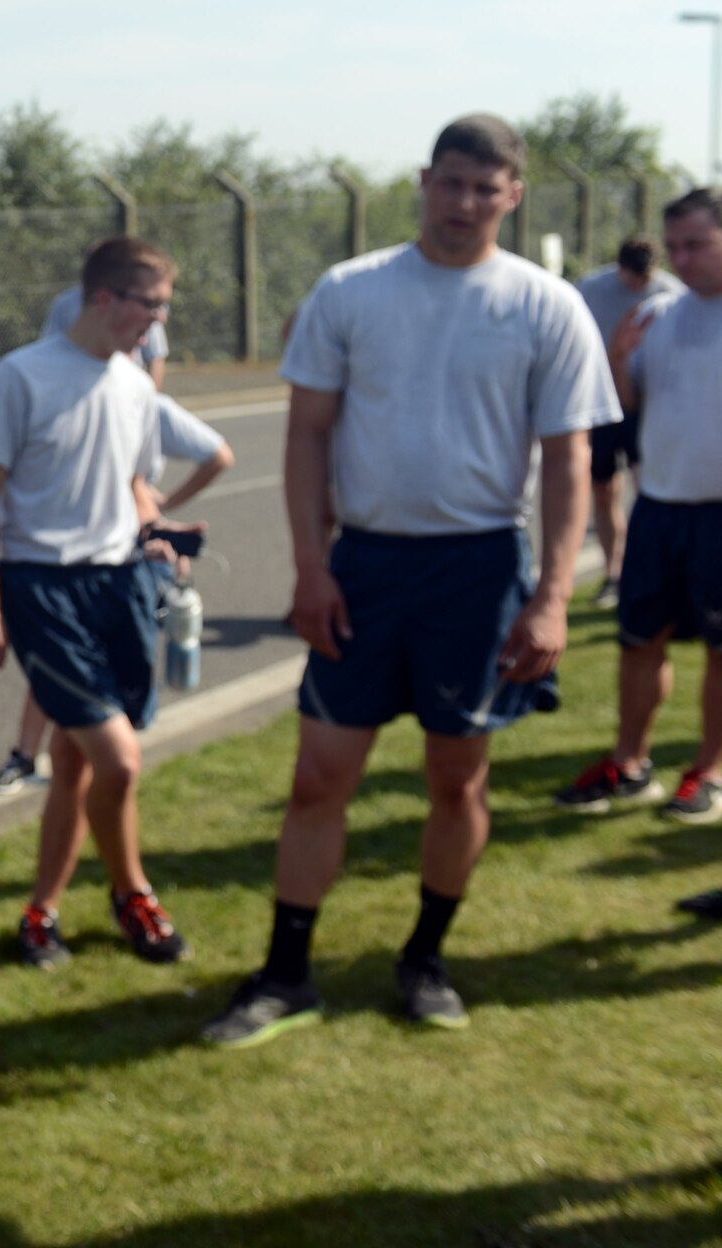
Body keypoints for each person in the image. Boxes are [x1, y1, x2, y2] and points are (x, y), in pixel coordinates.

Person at [201, 114, 616, 1049]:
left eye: (487, 188)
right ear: (425, 181)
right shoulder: (352, 291)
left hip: (478, 567)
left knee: (456, 776)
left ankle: (424, 959)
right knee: (319, 776)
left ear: (512, 196)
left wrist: (551, 597)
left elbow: (568, 458)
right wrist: (311, 568)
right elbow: (307, 435)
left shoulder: (545, 305)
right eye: (452, 183)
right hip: (366, 565)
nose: (466, 204)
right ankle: (286, 972)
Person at [0, 237, 201, 967]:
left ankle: (42, 911)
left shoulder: (135, 386)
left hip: (120, 583)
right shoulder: (23, 376)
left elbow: (136, 485)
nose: (157, 323)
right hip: (43, 586)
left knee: (76, 762)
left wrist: (156, 536)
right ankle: (134, 891)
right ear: (105, 299)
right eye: (150, 306)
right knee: (119, 760)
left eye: (164, 307)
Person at [553, 191, 722, 822]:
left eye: (697, 244)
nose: (681, 258)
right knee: (638, 640)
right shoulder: (660, 313)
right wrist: (621, 359)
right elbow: (626, 407)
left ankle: (708, 772)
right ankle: (629, 764)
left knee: (718, 650)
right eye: (674, 245)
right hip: (660, 505)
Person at [0, 393, 234, 795]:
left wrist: (160, 519)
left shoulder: (141, 400)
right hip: (77, 565)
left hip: (129, 564)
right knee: (61, 665)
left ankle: (68, 760)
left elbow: (209, 458)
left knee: (100, 689)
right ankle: (30, 755)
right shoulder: (73, 396)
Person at [570, 235, 680, 603]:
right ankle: (612, 573)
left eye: (646, 278)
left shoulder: (672, 294)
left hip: (648, 408)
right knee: (604, 491)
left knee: (650, 489)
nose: (640, 287)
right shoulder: (590, 290)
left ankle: (653, 570)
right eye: (634, 279)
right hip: (599, 405)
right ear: (620, 268)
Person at [44, 269, 168, 387]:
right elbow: (50, 349)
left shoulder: (139, 389)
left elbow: (155, 356)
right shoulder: (65, 303)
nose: (160, 317)